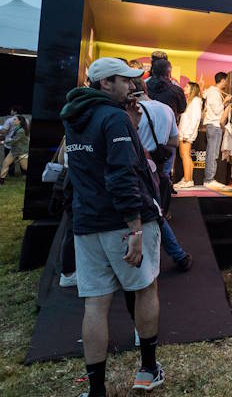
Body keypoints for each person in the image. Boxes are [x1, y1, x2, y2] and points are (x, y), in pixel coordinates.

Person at [60, 57, 164, 395]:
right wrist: (134, 228)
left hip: (87, 222)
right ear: (106, 84)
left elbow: (90, 167)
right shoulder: (112, 117)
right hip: (122, 221)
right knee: (145, 288)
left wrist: (130, 126)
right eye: (125, 80)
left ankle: (96, 389)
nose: (132, 86)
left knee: (95, 303)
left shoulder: (74, 117)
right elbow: (122, 174)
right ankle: (148, 369)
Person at [131, 81, 192, 272]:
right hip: (155, 167)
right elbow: (174, 140)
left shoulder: (128, 111)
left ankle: (174, 255)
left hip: (135, 167)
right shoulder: (166, 110)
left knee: (150, 213)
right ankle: (177, 255)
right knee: (155, 212)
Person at [201, 72, 230, 190]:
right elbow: (217, 110)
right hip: (214, 124)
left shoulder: (213, 92)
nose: (227, 83)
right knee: (212, 153)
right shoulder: (214, 92)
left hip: (214, 125)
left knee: (213, 153)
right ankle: (209, 179)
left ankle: (210, 178)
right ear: (222, 80)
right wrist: (225, 102)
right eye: (226, 80)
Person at [173, 82, 203, 189]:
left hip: (186, 133)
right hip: (185, 132)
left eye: (187, 87)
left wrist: (187, 133)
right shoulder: (191, 101)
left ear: (193, 89)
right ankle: (188, 179)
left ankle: (187, 180)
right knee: (185, 155)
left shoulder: (195, 102)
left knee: (185, 155)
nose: (184, 88)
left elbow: (195, 119)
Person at [145, 56, 186, 121]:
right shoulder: (177, 90)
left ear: (152, 71)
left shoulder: (144, 87)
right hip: (168, 127)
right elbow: (181, 109)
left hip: (146, 126)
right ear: (169, 72)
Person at [0, 114, 29, 183]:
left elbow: (13, 141)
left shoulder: (21, 131)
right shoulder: (17, 128)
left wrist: (2, 142)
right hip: (14, 151)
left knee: (25, 167)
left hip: (21, 152)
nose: (13, 121)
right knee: (5, 163)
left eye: (15, 119)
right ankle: (1, 180)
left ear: (19, 121)